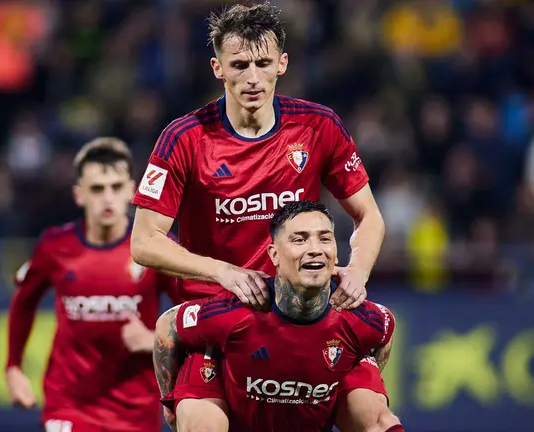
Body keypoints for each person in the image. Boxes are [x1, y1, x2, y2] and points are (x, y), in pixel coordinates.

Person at [130, 3, 387, 430]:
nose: (252, 77)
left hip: (305, 316)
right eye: (240, 64)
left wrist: (358, 270)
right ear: (218, 68)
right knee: (199, 423)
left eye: (263, 63)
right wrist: (223, 273)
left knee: (377, 419)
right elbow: (144, 241)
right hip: (217, 322)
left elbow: (369, 216)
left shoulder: (317, 127)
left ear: (282, 64)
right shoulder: (183, 138)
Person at [153, 201, 402, 432]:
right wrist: (169, 401)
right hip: (228, 402)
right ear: (274, 255)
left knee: (381, 423)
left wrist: (358, 381)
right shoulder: (237, 311)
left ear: (336, 253)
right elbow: (168, 325)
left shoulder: (360, 317)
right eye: (300, 240)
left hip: (310, 413)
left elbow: (385, 332)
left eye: (324, 239)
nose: (315, 249)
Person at [6, 138, 174, 432]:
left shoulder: (155, 248)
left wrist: (156, 341)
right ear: (79, 195)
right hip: (69, 403)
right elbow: (24, 302)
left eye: (116, 187)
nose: (107, 198)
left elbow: (195, 315)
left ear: (132, 191)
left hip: (135, 409)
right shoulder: (54, 247)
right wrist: (13, 367)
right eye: (97, 189)